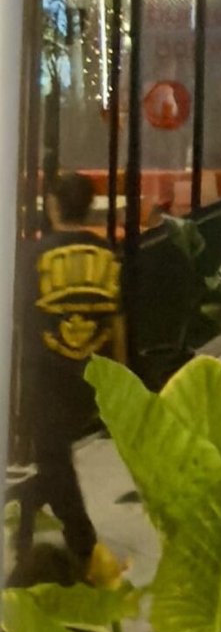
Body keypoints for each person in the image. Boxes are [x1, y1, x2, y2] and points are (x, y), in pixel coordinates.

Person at [19, 173, 125, 580]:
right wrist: (119, 380)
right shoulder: (108, 254)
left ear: (52, 205)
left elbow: (18, 315)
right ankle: (31, 513)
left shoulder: (35, 255)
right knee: (51, 460)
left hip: (46, 374)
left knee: (51, 458)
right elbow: (118, 320)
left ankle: (83, 545)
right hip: (92, 375)